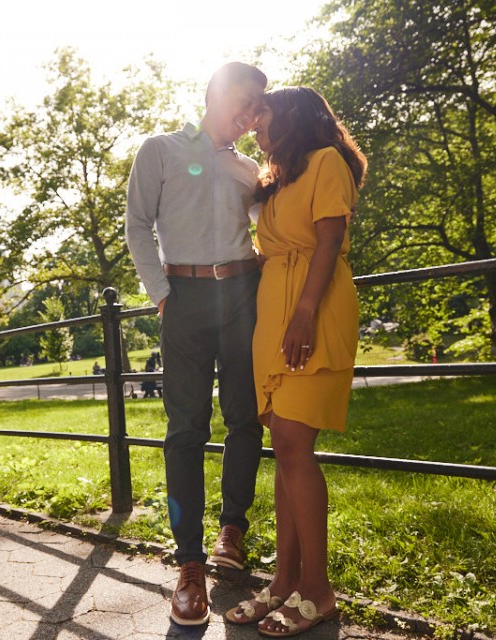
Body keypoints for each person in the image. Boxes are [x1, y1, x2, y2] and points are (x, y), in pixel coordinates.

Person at [125, 61, 268, 626]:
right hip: (182, 298)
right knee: (185, 429)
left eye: (259, 105)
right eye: (247, 99)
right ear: (216, 93)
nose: (253, 113)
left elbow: (270, 226)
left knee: (244, 417)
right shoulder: (158, 149)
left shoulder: (251, 168)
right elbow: (138, 224)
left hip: (242, 297)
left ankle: (232, 530)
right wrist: (162, 294)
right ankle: (188, 565)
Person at [224, 87, 366, 637]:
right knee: (284, 446)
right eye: (252, 117)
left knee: (293, 445)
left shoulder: (328, 162)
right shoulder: (277, 178)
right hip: (272, 310)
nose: (256, 124)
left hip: (315, 304)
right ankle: (283, 583)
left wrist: (305, 312)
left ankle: (318, 590)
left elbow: (329, 242)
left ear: (293, 118)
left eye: (263, 115)